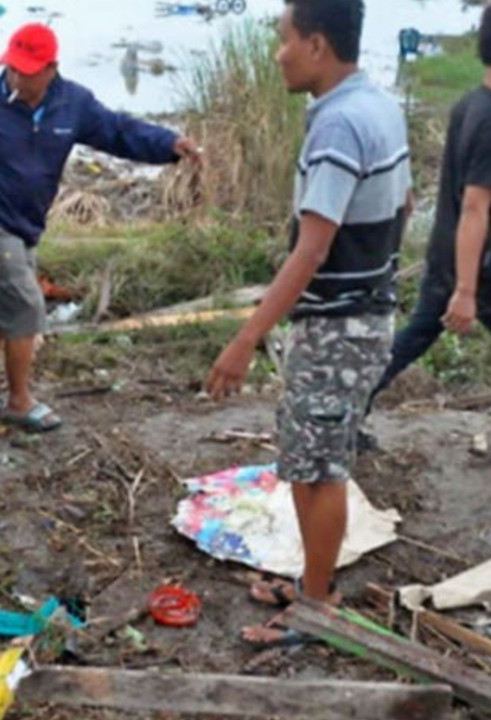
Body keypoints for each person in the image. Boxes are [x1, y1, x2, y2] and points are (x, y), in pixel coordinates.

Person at [205, 0, 411, 646]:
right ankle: (315, 583)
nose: (277, 52)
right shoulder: (376, 103)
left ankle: (316, 611)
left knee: (319, 468)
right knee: (313, 457)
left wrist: (246, 337)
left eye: (284, 39)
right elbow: (403, 202)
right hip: (364, 314)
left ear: (317, 45)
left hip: (338, 327)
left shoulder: (340, 125)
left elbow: (312, 248)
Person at [0, 22, 198, 432]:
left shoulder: (73, 104)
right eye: (12, 67)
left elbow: (119, 131)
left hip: (25, 224)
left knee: (3, 308)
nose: (16, 77)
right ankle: (19, 400)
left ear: (51, 68)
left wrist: (169, 145)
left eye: (27, 70)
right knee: (27, 305)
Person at [364, 2, 491, 478]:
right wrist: (467, 290)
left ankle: (345, 414)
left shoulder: (472, 104)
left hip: (448, 250)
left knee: (413, 338)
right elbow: (474, 206)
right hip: (484, 264)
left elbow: (471, 192)